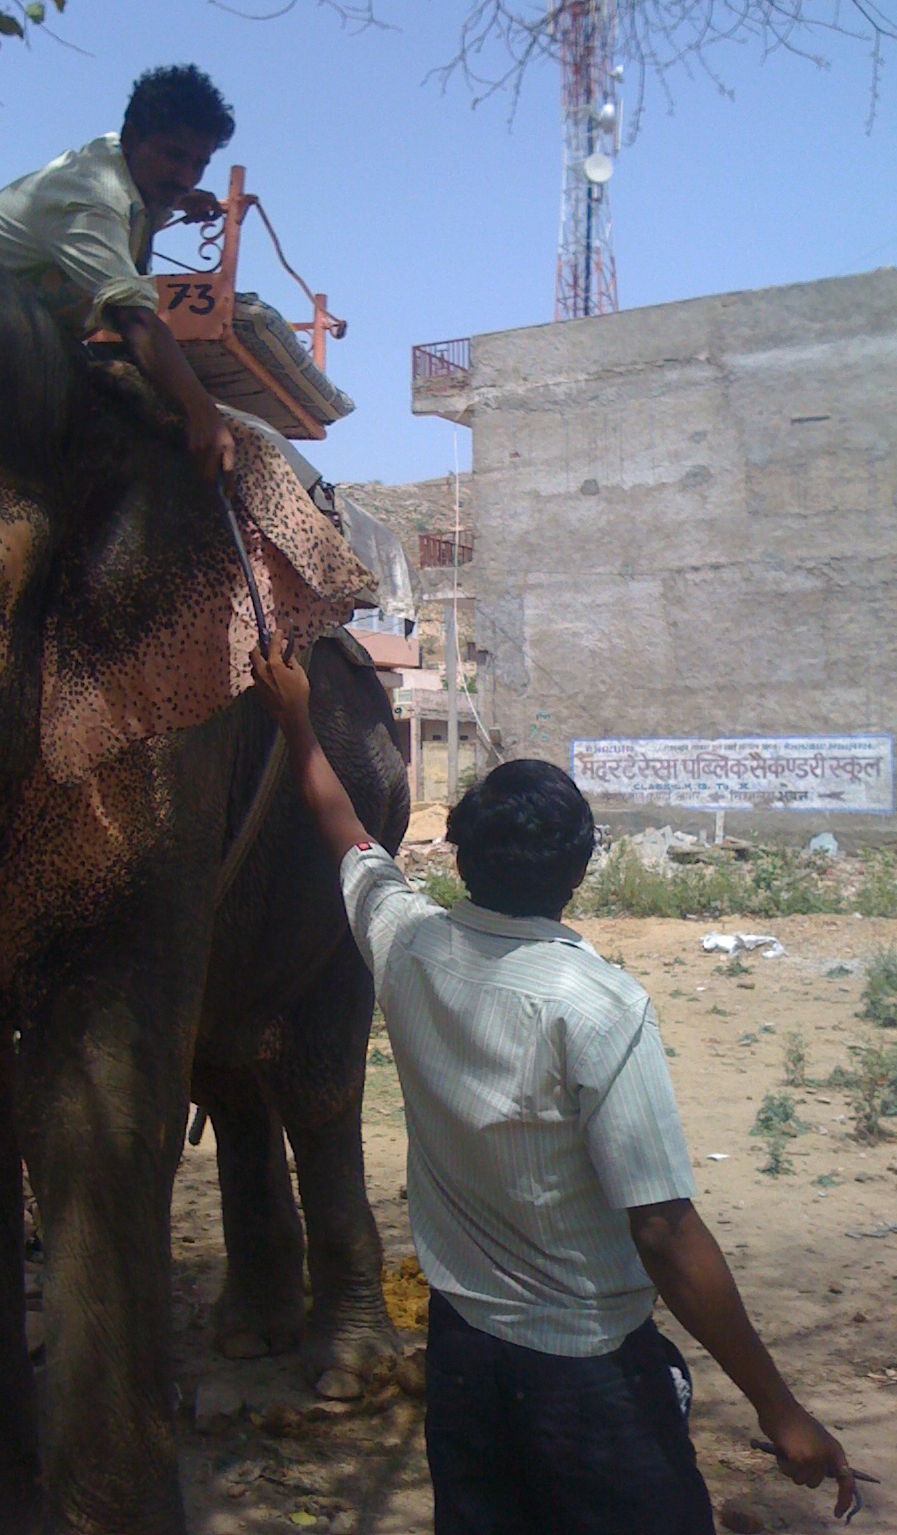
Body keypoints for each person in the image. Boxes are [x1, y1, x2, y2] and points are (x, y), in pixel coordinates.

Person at [249, 635, 858, 1535]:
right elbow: (661, 1226)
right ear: (578, 871)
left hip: (461, 1358)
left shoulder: (407, 946)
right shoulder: (600, 1006)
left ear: (459, 857)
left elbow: (338, 821)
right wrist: (779, 1408)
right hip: (591, 1377)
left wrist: (297, 718)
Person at [0, 63, 237, 487]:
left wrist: (182, 201)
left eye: (199, 163)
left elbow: (141, 206)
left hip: (26, 345)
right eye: (174, 156)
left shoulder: (128, 171)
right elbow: (137, 320)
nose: (185, 176)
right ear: (132, 139)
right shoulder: (91, 197)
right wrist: (203, 413)